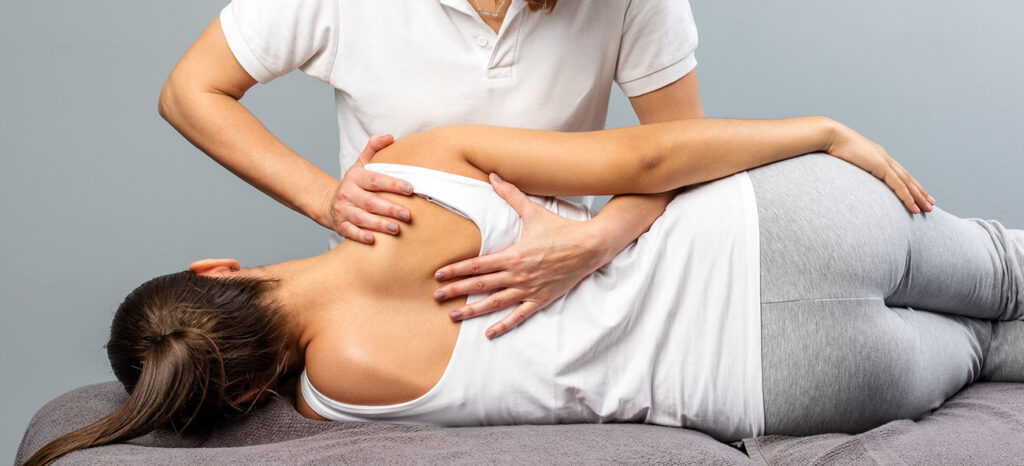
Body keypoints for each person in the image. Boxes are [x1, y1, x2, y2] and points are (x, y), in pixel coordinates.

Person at [23, 117, 1022, 466]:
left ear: (241, 395)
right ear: (215, 268)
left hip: (784, 381)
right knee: (1006, 270)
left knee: (991, 354)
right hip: (783, 227)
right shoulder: (411, 171)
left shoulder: (336, 399)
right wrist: (822, 132)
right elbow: (651, 152)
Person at [157, 0, 935, 339]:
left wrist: (593, 241)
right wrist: (327, 199)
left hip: (573, 275)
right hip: (401, 292)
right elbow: (190, 91)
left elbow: (674, 152)